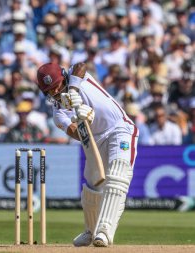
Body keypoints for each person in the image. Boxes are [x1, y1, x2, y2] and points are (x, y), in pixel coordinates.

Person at [35, 62, 139, 247]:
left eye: (57, 85)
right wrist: (83, 121)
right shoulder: (58, 114)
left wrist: (73, 92)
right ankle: (91, 231)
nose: (56, 91)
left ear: (64, 77)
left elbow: (81, 65)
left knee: (117, 176)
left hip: (120, 129)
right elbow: (77, 133)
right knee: (92, 188)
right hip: (94, 141)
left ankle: (104, 230)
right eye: (50, 90)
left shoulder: (78, 79)